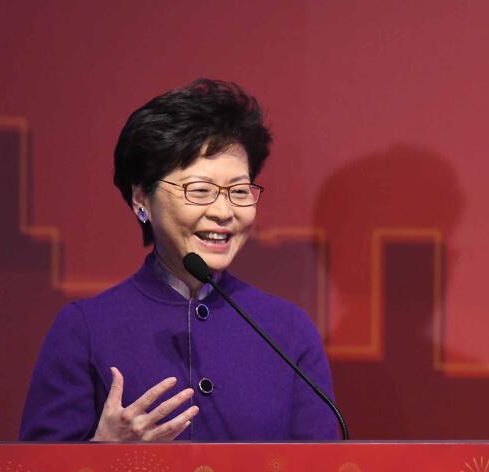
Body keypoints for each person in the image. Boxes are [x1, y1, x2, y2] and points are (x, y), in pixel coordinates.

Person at [18, 79, 339, 442]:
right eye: (199, 191)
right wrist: (102, 451)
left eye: (238, 191)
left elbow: (324, 470)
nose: (223, 212)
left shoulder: (288, 330)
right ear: (142, 198)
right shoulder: (84, 329)